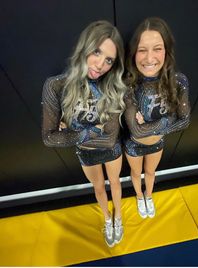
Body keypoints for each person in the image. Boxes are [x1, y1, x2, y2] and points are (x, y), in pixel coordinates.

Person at [41, 20, 126, 247]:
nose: (100, 65)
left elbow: (109, 137)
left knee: (115, 182)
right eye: (96, 52)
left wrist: (72, 131)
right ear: (85, 46)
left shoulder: (112, 86)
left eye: (109, 60)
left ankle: (118, 217)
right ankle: (107, 219)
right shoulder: (56, 86)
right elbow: (49, 138)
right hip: (86, 153)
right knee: (98, 188)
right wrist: (93, 130)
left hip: (112, 149)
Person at [123, 17, 190, 219]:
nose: (149, 57)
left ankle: (148, 195)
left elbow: (185, 121)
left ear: (167, 51)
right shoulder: (129, 84)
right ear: (134, 52)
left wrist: (156, 124)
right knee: (136, 174)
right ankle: (138, 196)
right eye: (142, 49)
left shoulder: (179, 81)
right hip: (134, 144)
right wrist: (169, 120)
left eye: (157, 48)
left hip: (157, 144)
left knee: (151, 174)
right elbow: (136, 130)